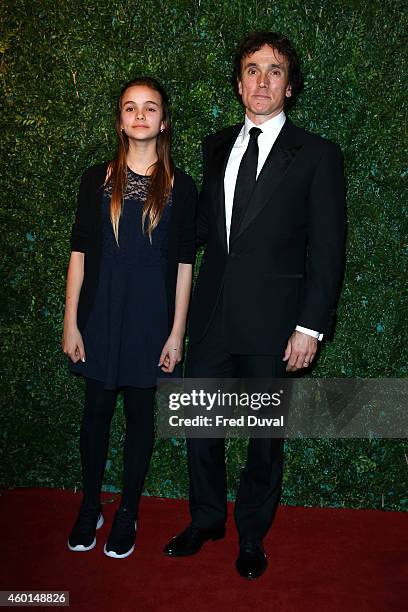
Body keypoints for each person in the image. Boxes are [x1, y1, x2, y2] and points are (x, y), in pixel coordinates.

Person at [163, 32, 346, 579]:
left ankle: (251, 536)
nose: (261, 80)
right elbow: (203, 232)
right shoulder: (217, 144)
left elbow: (329, 248)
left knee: (264, 438)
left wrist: (309, 326)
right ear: (239, 82)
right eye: (251, 69)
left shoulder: (316, 154)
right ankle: (206, 519)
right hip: (212, 316)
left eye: (274, 71)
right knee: (201, 426)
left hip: (273, 322)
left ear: (289, 87)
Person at [62, 76, 197, 559]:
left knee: (141, 418)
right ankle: (90, 506)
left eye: (150, 107)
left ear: (164, 120)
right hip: (100, 314)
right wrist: (70, 321)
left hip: (151, 319)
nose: (140, 115)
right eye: (130, 107)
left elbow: (185, 263)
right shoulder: (93, 178)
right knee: (95, 414)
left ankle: (128, 511)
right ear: (120, 120)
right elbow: (79, 251)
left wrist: (176, 333)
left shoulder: (183, 187)